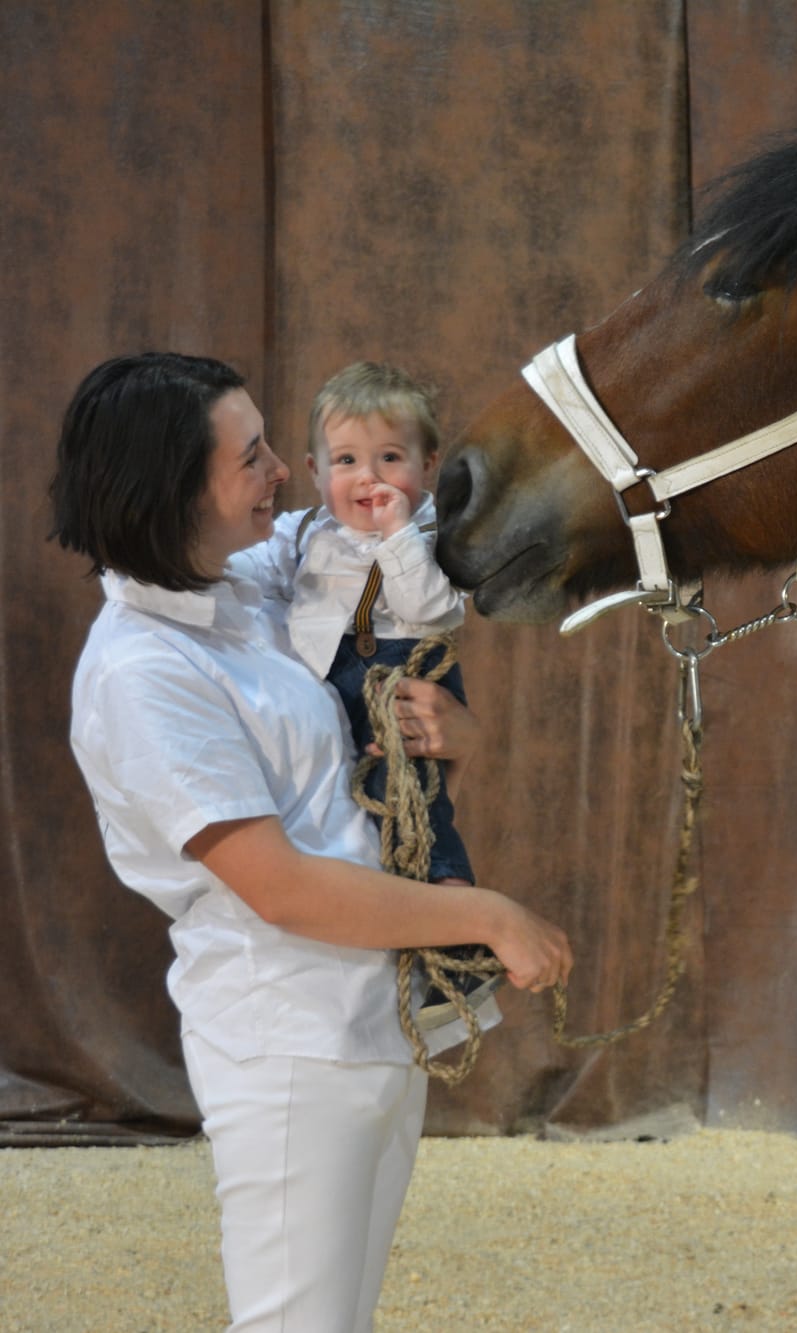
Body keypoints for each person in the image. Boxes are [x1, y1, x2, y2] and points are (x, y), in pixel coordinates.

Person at [54, 352, 572, 1331]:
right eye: (250, 458)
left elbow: (393, 536)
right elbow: (282, 886)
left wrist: (453, 736)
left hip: (375, 1013)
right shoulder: (140, 673)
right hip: (289, 1040)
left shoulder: (250, 578)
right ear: (171, 494)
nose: (282, 474)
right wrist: (488, 915)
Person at [234, 361, 495, 1025]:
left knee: (418, 807)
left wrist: (396, 535)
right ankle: (409, 938)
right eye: (346, 459)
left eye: (390, 457)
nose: (368, 478)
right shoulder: (300, 531)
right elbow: (244, 570)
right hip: (335, 682)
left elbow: (434, 611)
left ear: (428, 464)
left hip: (404, 674)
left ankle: (460, 931)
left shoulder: (429, 533)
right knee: (365, 816)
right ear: (316, 471)